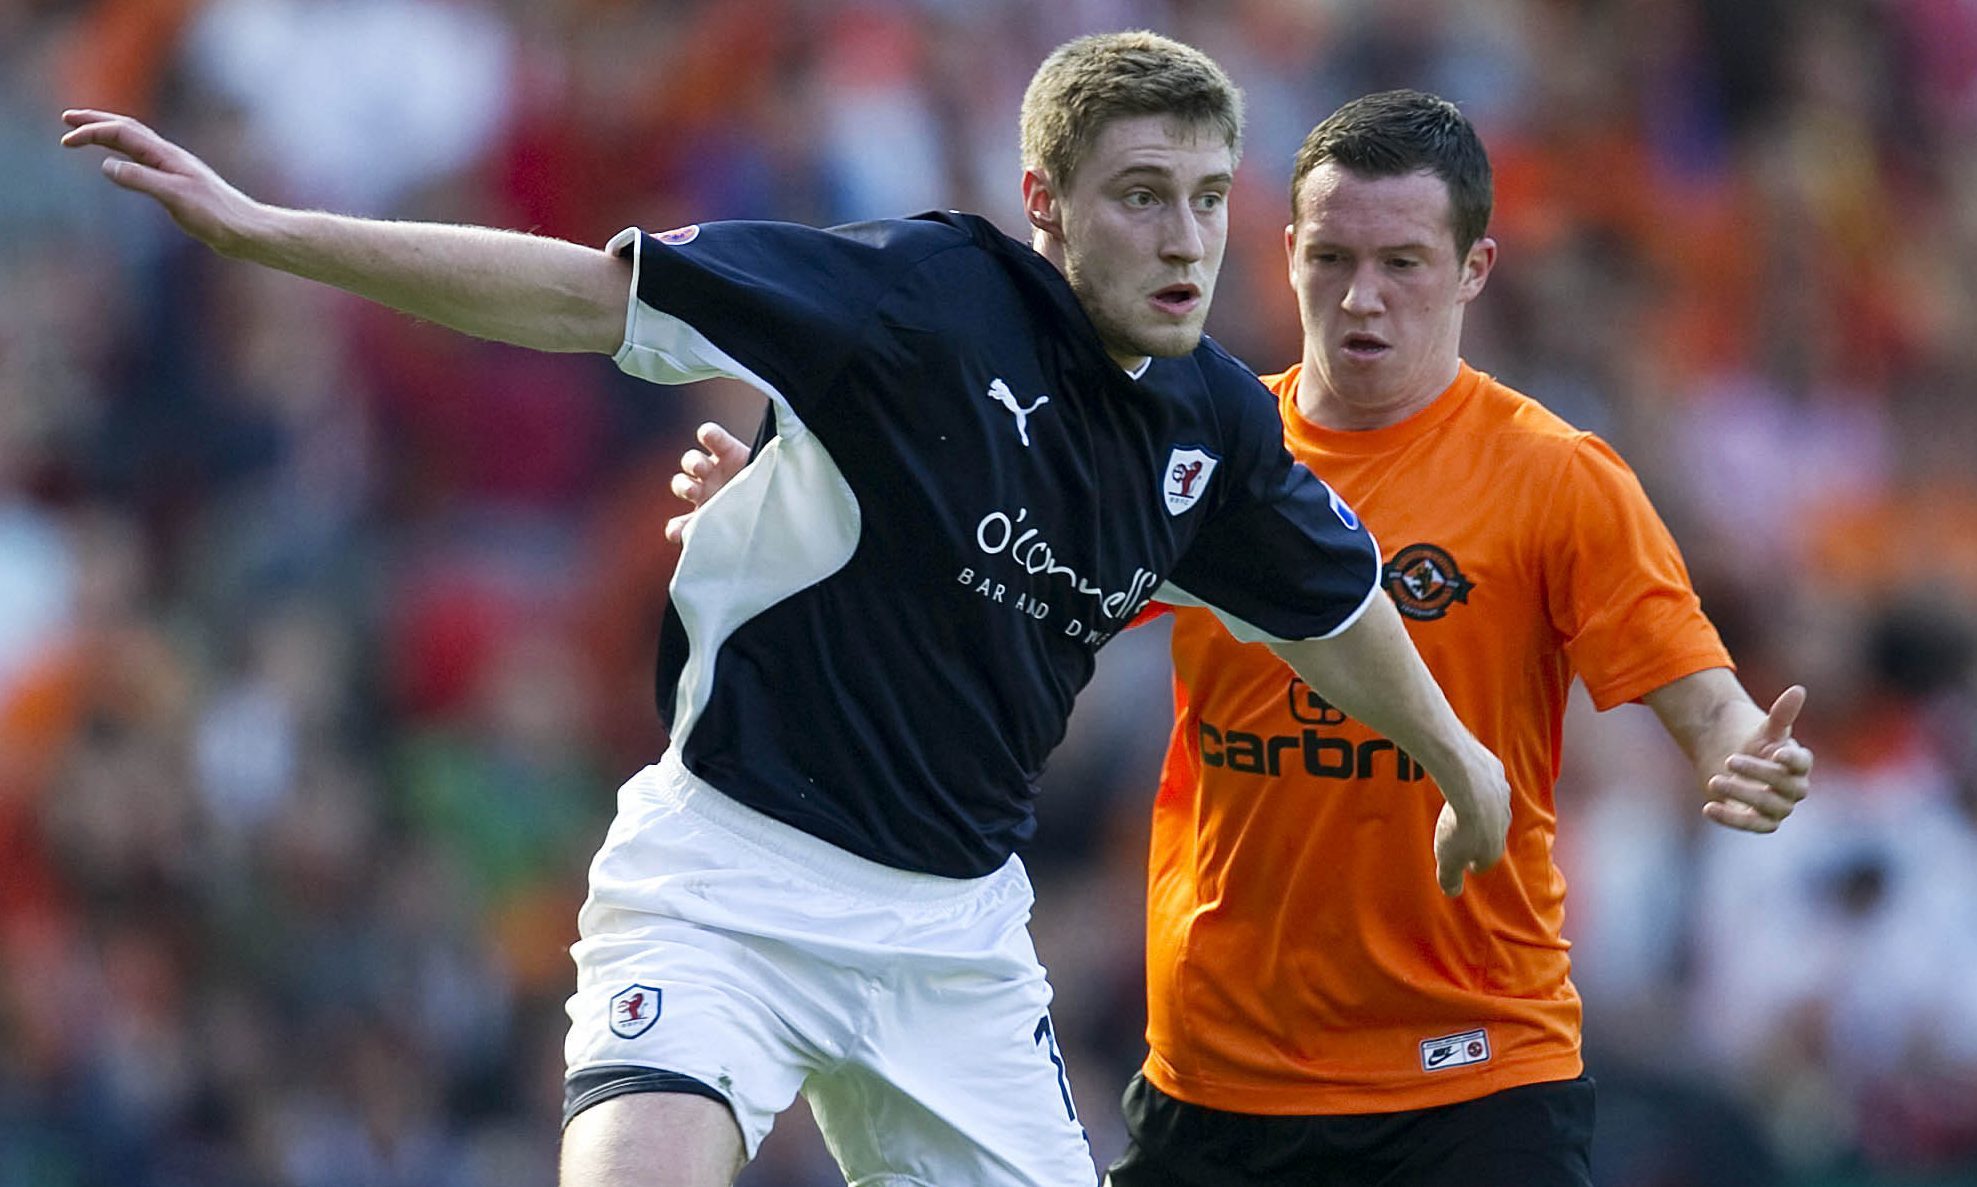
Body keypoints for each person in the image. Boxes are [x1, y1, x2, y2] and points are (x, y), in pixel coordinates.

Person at [63, 36, 1512, 1187]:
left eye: (1209, 194)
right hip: (730, 878)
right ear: (1046, 204)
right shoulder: (922, 299)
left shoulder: (1211, 428)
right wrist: (266, 233)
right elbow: (585, 296)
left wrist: (1462, 762)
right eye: (1143, 193)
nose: (1185, 235)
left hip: (953, 936)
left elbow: (1335, 612)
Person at [670, 90, 1815, 1186]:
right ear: (1286, 254)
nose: (1361, 298)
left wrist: (1739, 754)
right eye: (1332, 258)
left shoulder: (1558, 479)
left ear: (1473, 271)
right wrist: (790, 504)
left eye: (1402, 263)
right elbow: (977, 564)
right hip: (1222, 1078)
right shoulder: (1195, 445)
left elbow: (1703, 701)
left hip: (1474, 1068)